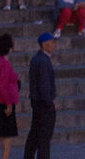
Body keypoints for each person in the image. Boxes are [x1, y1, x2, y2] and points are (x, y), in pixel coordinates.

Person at [25, 29, 60, 159]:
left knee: (34, 134)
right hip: (43, 105)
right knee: (44, 138)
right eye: (52, 42)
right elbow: (44, 85)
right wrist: (49, 103)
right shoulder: (43, 61)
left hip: (37, 103)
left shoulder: (37, 59)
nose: (54, 45)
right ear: (44, 44)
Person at [0, 31, 22, 159]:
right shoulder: (5, 64)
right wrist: (8, 104)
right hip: (4, 102)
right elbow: (3, 85)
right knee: (7, 135)